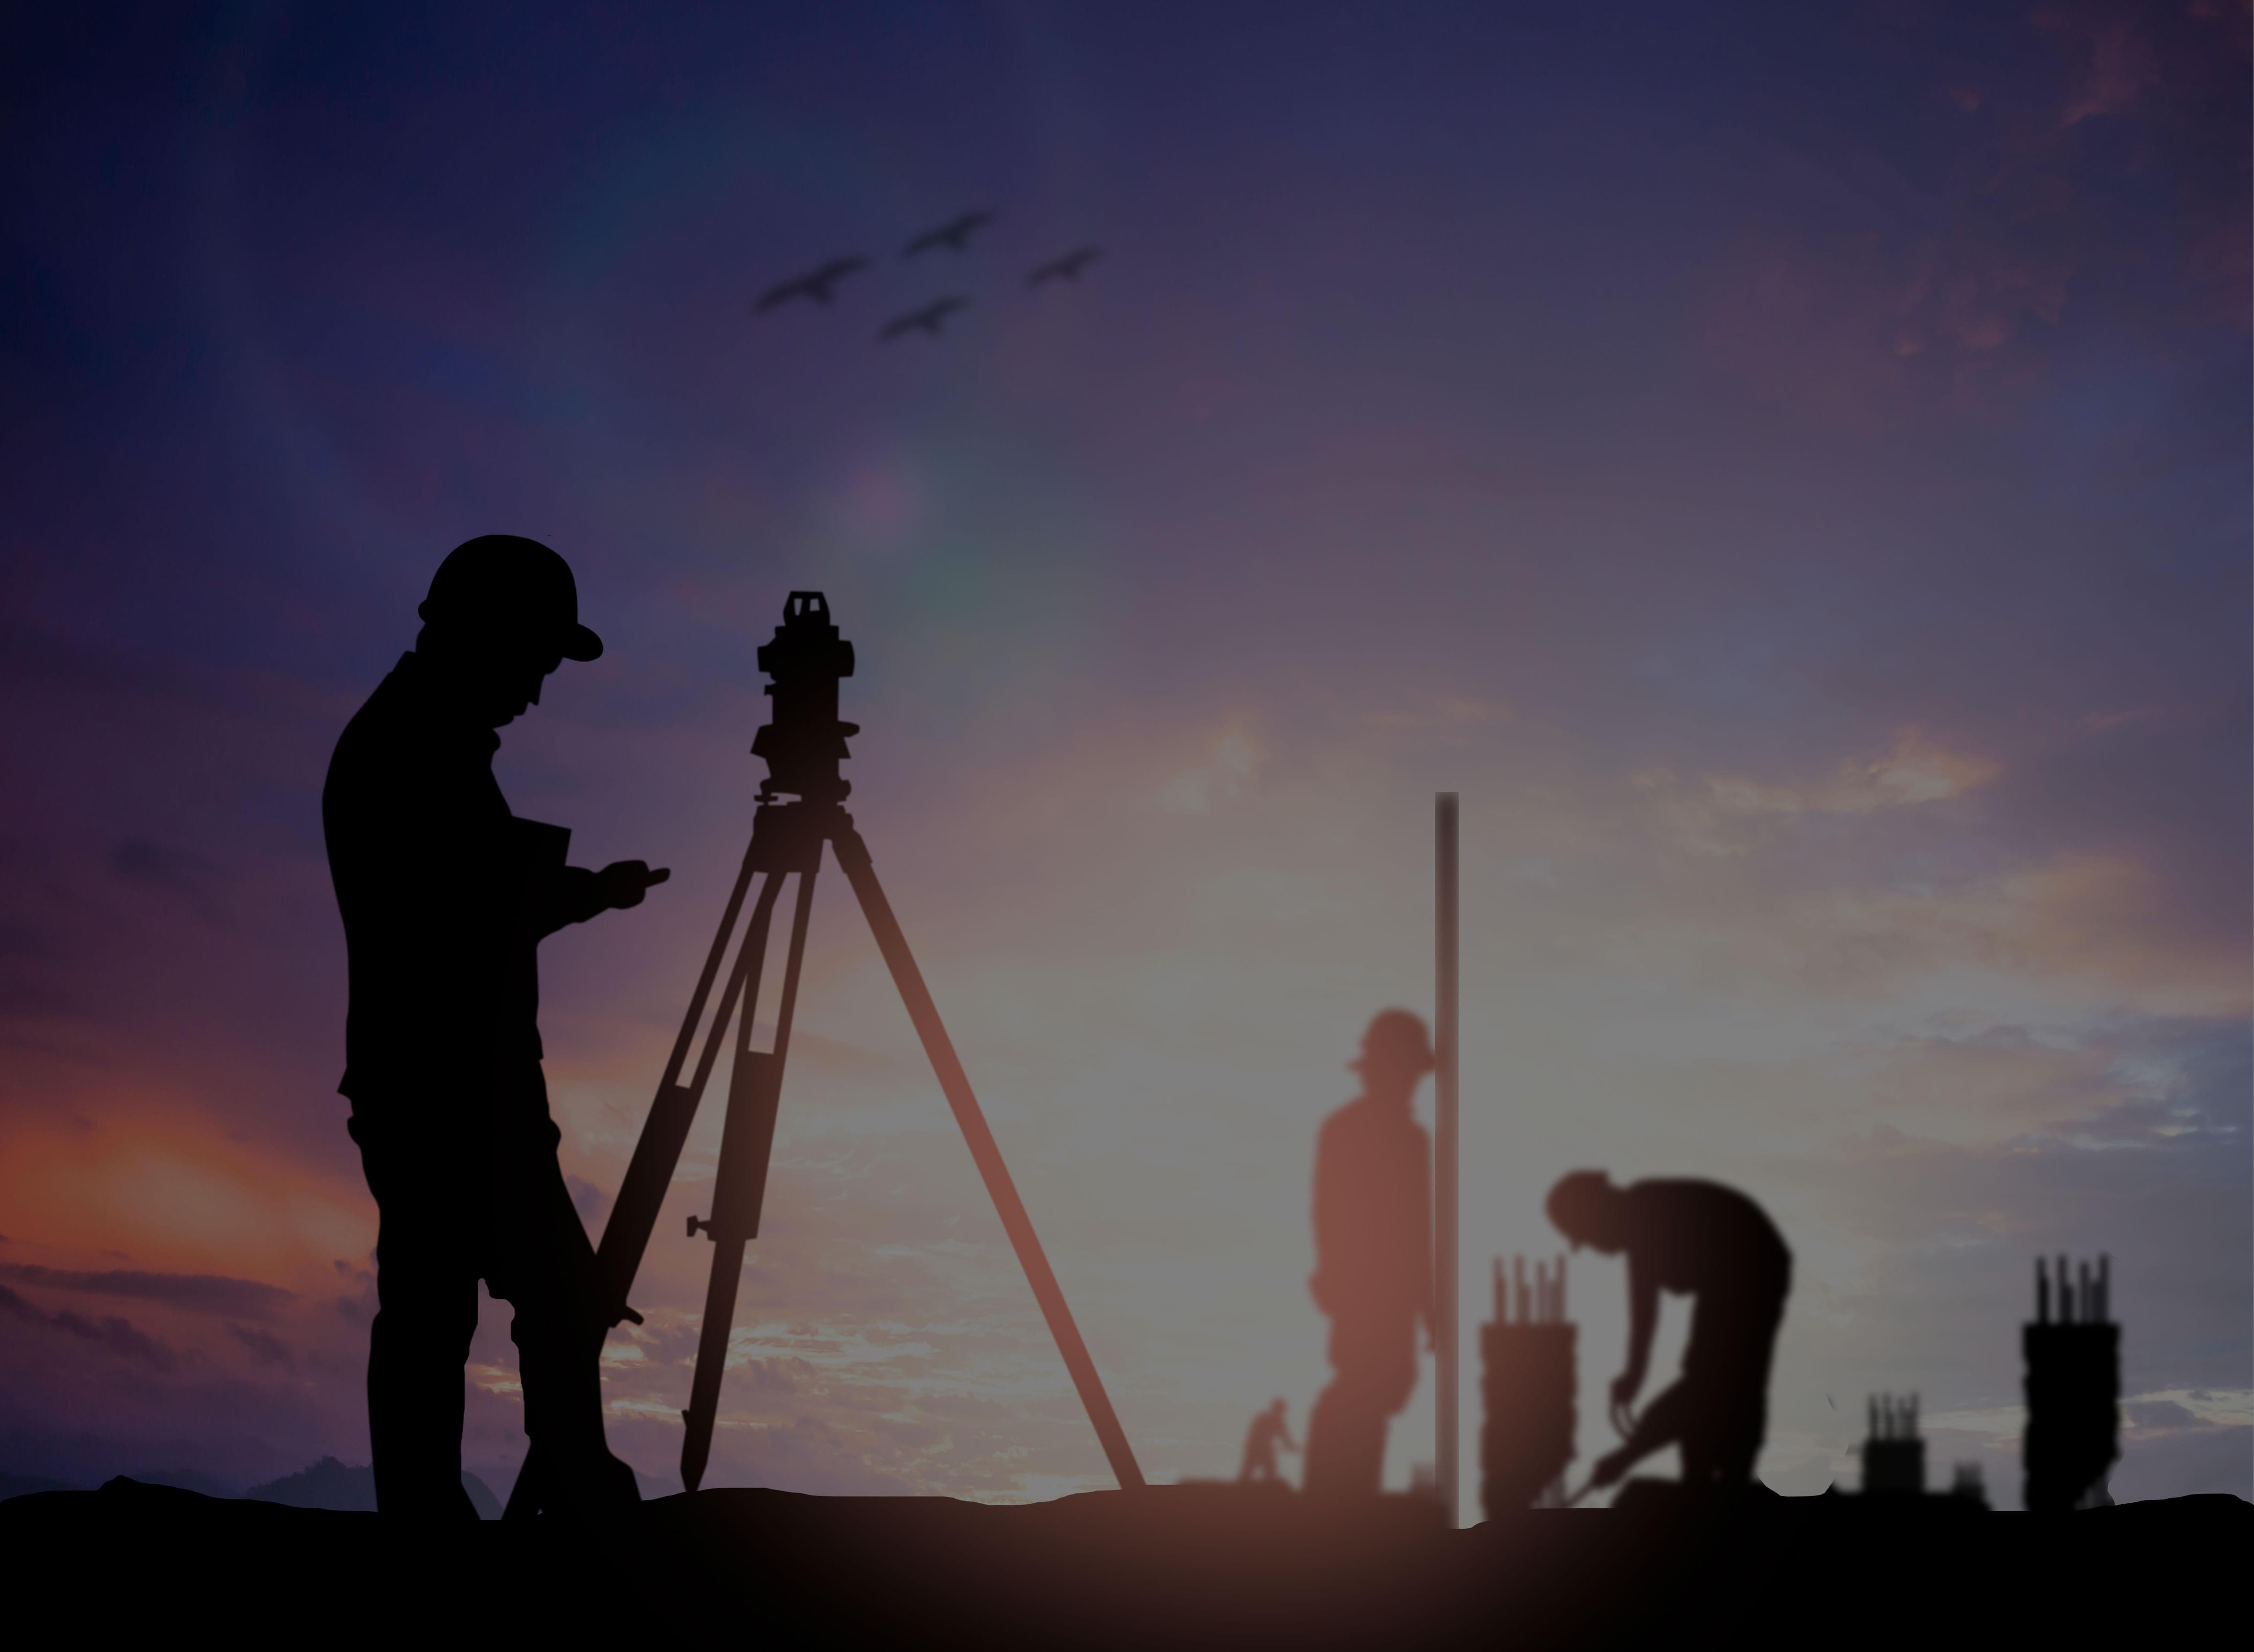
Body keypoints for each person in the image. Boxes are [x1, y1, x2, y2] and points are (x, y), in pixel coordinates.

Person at [324, 535, 669, 1520]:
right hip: (449, 1087)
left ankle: (521, 1498)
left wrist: (586, 891)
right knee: (513, 1301)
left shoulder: (423, 741)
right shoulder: (411, 748)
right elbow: (459, 909)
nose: (537, 687)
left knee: (470, 1303)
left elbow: (474, 896)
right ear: (484, 635)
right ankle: (551, 1502)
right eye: (534, 659)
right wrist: (577, 894)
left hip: (452, 1081)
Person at [1545, 1172, 1790, 1493]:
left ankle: (1722, 1479)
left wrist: (1625, 1456)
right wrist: (1633, 1376)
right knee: (1716, 1379)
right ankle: (1706, 1477)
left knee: (1723, 1379)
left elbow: (1651, 1327)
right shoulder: (1641, 1219)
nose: (1594, 1247)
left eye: (1586, 1236)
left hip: (1752, 1266)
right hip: (1738, 1270)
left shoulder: (1644, 1218)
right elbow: (1644, 1318)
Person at [1302, 1010, 1435, 1495]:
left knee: (1383, 1387)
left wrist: (1428, 1304)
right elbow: (1333, 1211)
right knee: (1367, 1386)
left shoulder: (1411, 1139)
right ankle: (1335, 1500)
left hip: (1392, 1292)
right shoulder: (1350, 1129)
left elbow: (1419, 1229)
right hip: (1364, 1289)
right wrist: (1338, 1278)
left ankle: (1346, 1498)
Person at [1238, 1397, 1298, 1486]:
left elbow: (1287, 1442)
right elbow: (1287, 1443)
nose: (1283, 1412)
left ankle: (1245, 1488)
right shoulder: (1277, 1421)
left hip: (1255, 1447)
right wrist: (1300, 1450)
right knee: (1267, 1471)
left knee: (1250, 1472)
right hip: (1259, 1448)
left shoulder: (1263, 1418)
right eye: (1283, 1410)